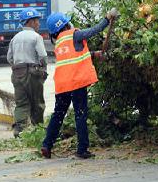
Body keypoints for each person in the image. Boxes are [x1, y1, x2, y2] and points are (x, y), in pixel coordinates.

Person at [41, 8, 118, 159]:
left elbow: (74, 55)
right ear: (64, 25)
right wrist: (107, 19)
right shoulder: (74, 34)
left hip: (62, 84)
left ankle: (46, 145)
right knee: (80, 115)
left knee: (58, 115)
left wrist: (94, 54)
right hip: (76, 82)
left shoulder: (59, 43)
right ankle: (82, 149)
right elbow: (93, 31)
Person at [7, 7, 48, 137]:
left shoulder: (15, 38)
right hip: (32, 73)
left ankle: (19, 131)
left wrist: (18, 66)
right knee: (37, 103)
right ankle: (39, 130)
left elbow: (9, 58)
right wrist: (43, 70)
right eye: (37, 21)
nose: (39, 24)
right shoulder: (36, 37)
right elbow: (42, 56)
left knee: (21, 103)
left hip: (17, 74)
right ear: (30, 22)